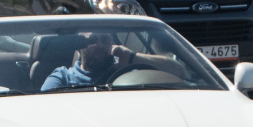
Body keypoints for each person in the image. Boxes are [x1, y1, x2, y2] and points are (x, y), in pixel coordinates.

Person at [41, 31, 182, 91]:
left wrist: (132, 57)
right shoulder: (63, 76)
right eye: (92, 40)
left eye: (105, 39)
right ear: (79, 46)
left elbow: (179, 72)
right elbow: (44, 106)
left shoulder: (126, 73)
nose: (100, 44)